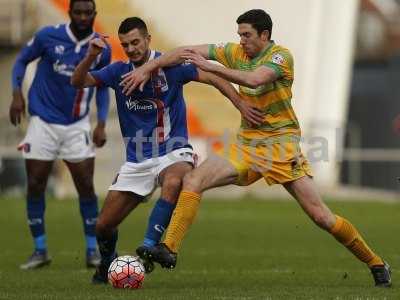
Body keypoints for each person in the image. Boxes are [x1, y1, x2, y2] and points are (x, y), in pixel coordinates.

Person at [120, 9, 392, 287]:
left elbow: (255, 79)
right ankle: (169, 248)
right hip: (247, 144)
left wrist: (211, 66)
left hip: (280, 146)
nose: (241, 41)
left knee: (321, 216)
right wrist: (147, 67)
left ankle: (376, 263)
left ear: (265, 35)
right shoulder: (235, 52)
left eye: (247, 35)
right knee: (193, 179)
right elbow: (184, 51)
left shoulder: (280, 57)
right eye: (239, 35)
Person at [71, 16, 263, 283]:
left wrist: (240, 104)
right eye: (126, 44)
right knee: (103, 226)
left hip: (173, 150)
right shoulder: (118, 71)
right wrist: (91, 56)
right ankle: (106, 265)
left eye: (136, 42)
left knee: (174, 179)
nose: (132, 48)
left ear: (148, 39)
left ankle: (150, 244)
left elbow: (214, 77)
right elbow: (78, 82)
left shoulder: (171, 66)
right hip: (137, 160)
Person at [10, 0, 111, 270]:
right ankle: (40, 249)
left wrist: (101, 122)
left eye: (87, 13)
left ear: (94, 15)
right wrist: (16, 93)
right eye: (77, 12)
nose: (82, 17)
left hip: (77, 125)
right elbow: (21, 60)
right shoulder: (47, 36)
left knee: (86, 187)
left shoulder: (102, 48)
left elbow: (102, 86)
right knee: (35, 184)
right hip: (42, 122)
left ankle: (92, 250)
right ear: (70, 13)